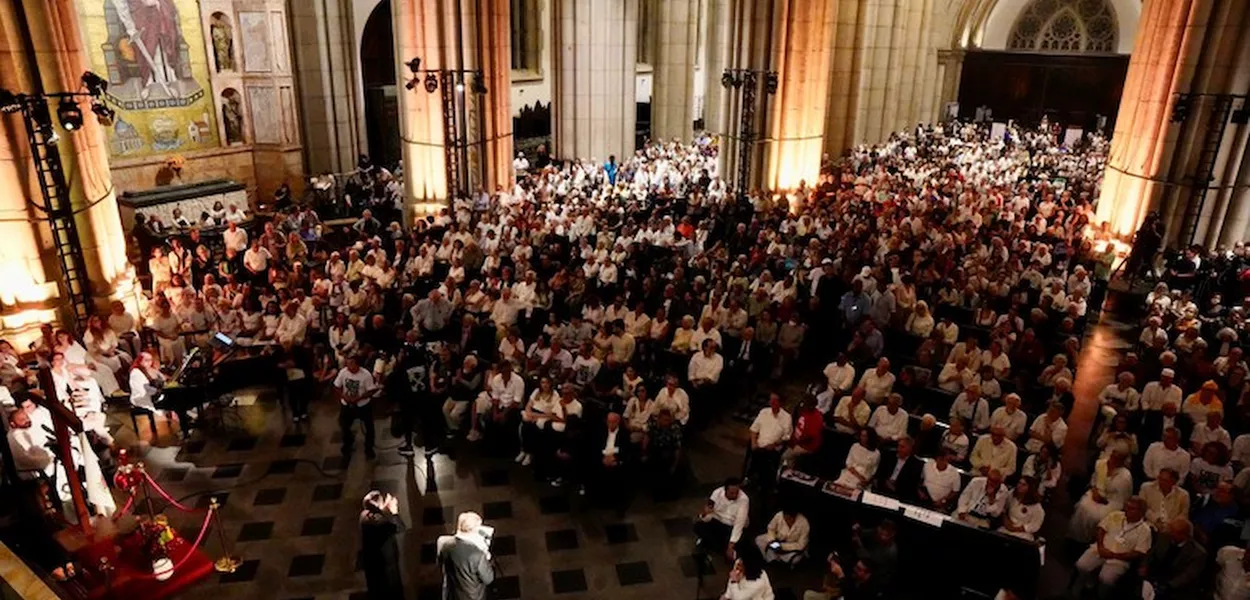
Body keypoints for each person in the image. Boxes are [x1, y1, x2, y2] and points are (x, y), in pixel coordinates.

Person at [1072, 497, 1152, 597]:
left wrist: (1114, 555)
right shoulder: (1116, 515)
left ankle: (1101, 595)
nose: (1127, 510)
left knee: (1106, 579)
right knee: (1081, 565)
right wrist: (1101, 547)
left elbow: (1138, 552)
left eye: (1131, 508)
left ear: (1141, 512)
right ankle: (1088, 583)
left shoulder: (1145, 530)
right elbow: (1101, 529)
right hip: (1101, 549)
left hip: (1120, 559)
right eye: (1126, 506)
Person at [1139, 518, 1206, 600]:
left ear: (1184, 535)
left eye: (1173, 532)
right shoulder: (1164, 538)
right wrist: (1144, 565)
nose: (1169, 533)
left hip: (1175, 584)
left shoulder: (1197, 553)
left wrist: (1168, 585)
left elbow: (1187, 575)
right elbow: (1151, 553)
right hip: (1155, 576)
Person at [437, 511, 495, 600]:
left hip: (453, 593)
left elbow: (441, 564)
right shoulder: (477, 554)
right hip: (472, 596)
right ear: (471, 530)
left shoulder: (444, 543)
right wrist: (487, 557)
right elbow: (488, 579)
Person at [359, 491, 405, 598]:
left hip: (373, 565)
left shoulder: (364, 516)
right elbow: (399, 527)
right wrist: (394, 512)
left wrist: (383, 507)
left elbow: (379, 515)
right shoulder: (379, 523)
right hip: (385, 567)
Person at [334, 354, 378, 460]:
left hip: (363, 405)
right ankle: (347, 445)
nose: (349, 366)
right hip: (347, 405)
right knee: (344, 426)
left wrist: (359, 397)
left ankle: (369, 448)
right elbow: (337, 386)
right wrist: (344, 396)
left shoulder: (366, 375)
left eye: (351, 363)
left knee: (369, 428)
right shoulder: (343, 372)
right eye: (347, 363)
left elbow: (371, 390)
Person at [696, 478, 750, 561]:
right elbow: (707, 514)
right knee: (698, 526)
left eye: (736, 492)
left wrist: (730, 546)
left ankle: (718, 546)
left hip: (731, 525)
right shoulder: (717, 493)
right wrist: (704, 513)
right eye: (732, 493)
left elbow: (739, 524)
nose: (735, 495)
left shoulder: (744, 500)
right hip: (717, 521)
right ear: (725, 490)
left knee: (740, 543)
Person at [746, 393, 791, 486]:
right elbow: (754, 429)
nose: (771, 402)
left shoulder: (787, 417)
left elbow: (787, 436)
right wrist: (754, 443)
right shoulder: (764, 412)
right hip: (759, 444)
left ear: (781, 403)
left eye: (775, 400)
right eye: (771, 400)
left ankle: (755, 478)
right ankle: (753, 478)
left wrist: (775, 444)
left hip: (773, 447)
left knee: (763, 456)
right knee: (757, 452)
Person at [873, 436, 923, 502]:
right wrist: (885, 483)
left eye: (902, 447)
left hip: (900, 494)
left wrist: (895, 487)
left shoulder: (917, 464)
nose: (899, 449)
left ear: (910, 449)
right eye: (898, 446)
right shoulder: (888, 455)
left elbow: (911, 485)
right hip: (882, 487)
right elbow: (879, 474)